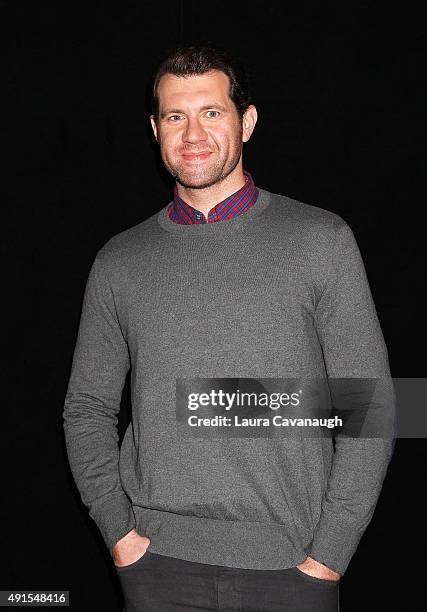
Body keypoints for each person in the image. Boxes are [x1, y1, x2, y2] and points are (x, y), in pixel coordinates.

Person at [63, 41, 395, 611]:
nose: (193, 134)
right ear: (155, 128)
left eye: (211, 113)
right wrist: (121, 538)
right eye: (175, 116)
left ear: (247, 121)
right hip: (156, 568)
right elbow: (87, 408)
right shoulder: (119, 260)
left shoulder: (320, 241)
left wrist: (329, 555)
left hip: (292, 571)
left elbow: (372, 405)